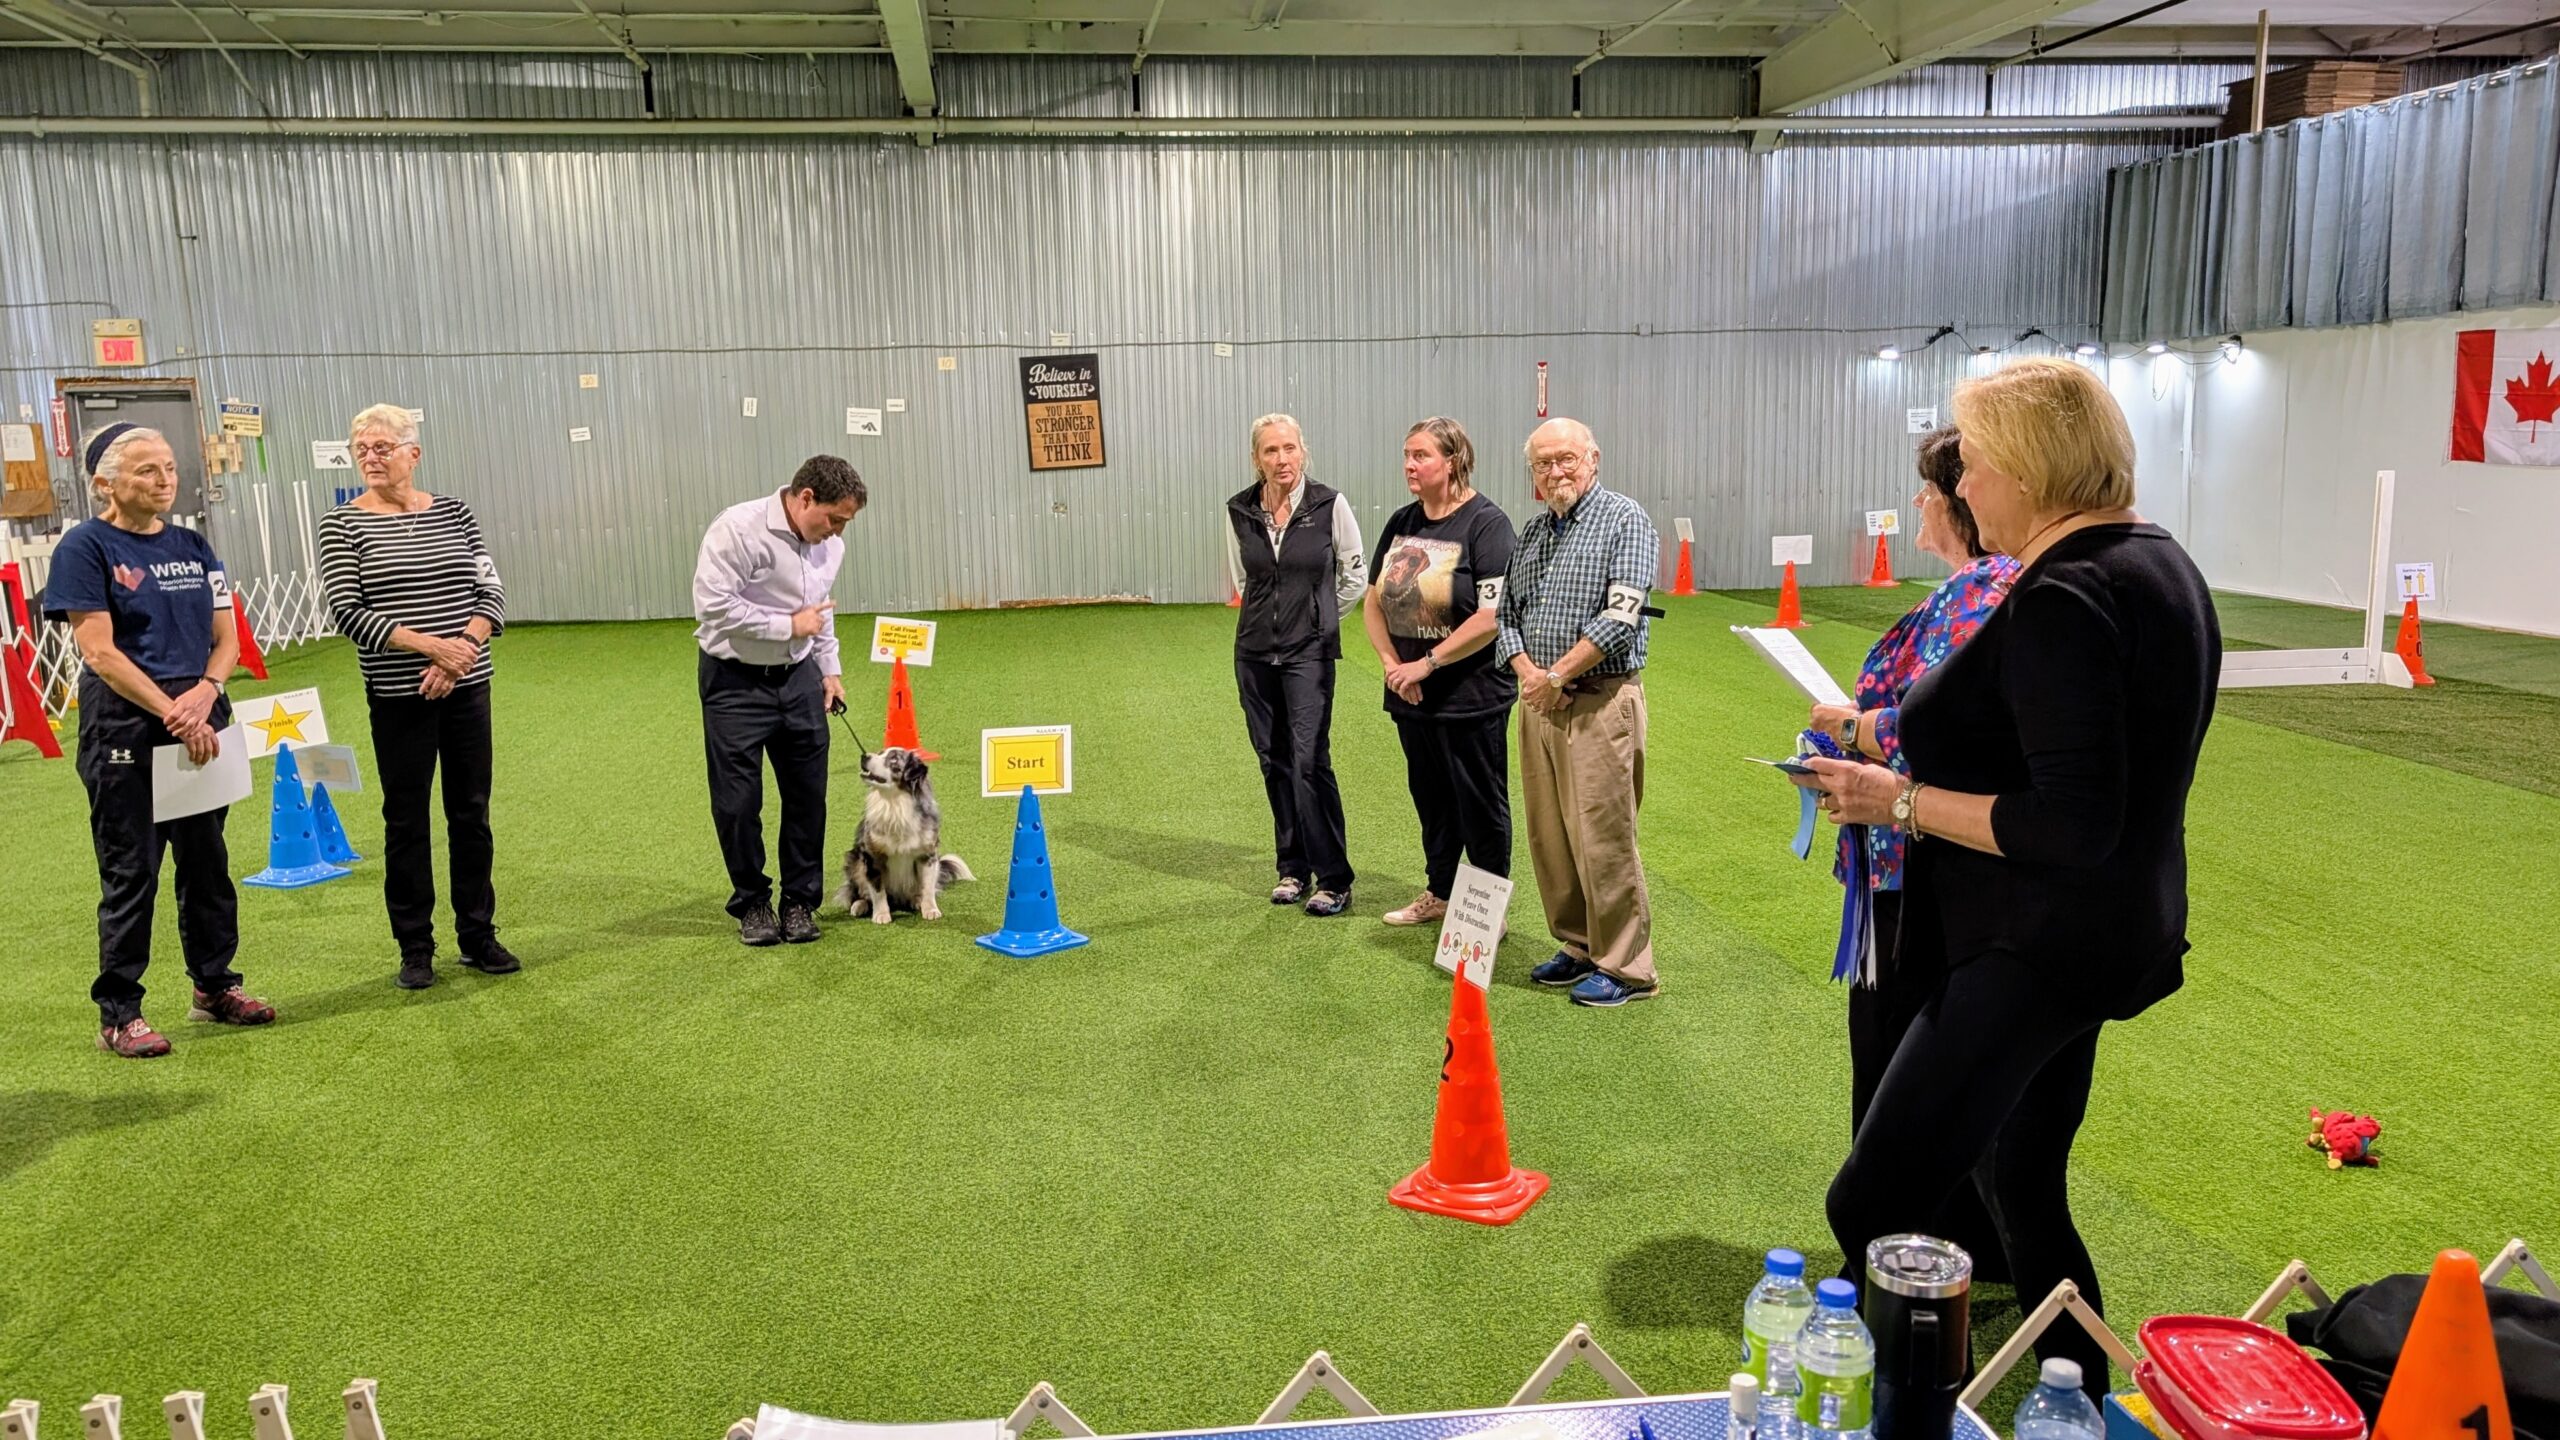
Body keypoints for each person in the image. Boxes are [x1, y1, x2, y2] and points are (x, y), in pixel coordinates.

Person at [1804, 358, 2220, 1397]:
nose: (1964, 486)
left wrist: (1895, 801)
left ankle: (1920, 1411)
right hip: (2109, 934)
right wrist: (1880, 748)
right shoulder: (2156, 563)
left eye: (1976, 466)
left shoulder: (2064, 594)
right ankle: (2076, 1397)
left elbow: (2068, 824)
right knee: (2020, 1184)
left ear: (2030, 472)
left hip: (2037, 945)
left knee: (1873, 1201)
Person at [1807, 426, 2020, 1280]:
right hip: (1926, 852)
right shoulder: (1990, 587)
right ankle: (1963, 1243)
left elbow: (1937, 728)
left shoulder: (1982, 589)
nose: (1925, 503)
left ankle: (1903, 1262)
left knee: (1898, 1061)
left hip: (1920, 858)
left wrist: (1853, 731)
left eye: (1934, 489)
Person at [46, 424, 272, 1057]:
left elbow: (227, 638)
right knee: (131, 871)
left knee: (207, 865)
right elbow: (99, 651)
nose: (165, 480)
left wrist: (206, 692)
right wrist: (176, 711)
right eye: (147, 470)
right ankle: (120, 1012)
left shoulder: (194, 546)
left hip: (201, 717)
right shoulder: (85, 547)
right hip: (127, 726)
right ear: (105, 483)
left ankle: (215, 985)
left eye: (169, 467)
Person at [318, 404, 515, 991]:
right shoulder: (342, 524)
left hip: (467, 685)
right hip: (398, 695)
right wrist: (433, 649)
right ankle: (415, 946)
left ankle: (477, 934)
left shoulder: (455, 512)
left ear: (413, 453)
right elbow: (348, 612)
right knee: (405, 820)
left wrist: (462, 651)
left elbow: (491, 592)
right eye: (361, 449)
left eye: (382, 447)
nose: (370, 458)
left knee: (471, 813)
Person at [1496, 417, 1661, 1007]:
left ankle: (1627, 967)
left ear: (1593, 458)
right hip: (1539, 702)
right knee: (1551, 835)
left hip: (1599, 700)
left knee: (1603, 836)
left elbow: (1622, 615)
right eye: (1543, 463)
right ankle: (1579, 944)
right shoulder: (1534, 531)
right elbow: (1505, 615)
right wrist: (1530, 675)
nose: (1555, 471)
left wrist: (1556, 676)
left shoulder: (1625, 520)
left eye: (1566, 458)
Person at [693, 456, 863, 947]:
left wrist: (829, 669)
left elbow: (820, 611)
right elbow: (713, 606)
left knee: (808, 795)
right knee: (737, 803)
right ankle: (753, 902)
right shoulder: (737, 529)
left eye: (845, 523)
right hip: (733, 682)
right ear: (805, 497)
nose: (837, 532)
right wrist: (787, 626)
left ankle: (799, 901)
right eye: (834, 519)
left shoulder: (830, 546)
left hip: (799, 679)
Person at [1361, 417, 1517, 927]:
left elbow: (1491, 617)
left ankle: (1486, 914)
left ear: (1452, 461)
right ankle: (1440, 892)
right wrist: (1393, 666)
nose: (1409, 464)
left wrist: (1426, 664)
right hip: (1411, 694)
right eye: (1407, 455)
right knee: (1431, 800)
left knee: (1480, 805)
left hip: (1470, 696)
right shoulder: (1402, 521)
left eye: (1421, 455)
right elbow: (1373, 600)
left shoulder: (1487, 524)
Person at [1224, 413, 1367, 917]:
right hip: (1254, 654)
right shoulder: (1239, 510)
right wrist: (1269, 621)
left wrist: (1318, 620)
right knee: (1274, 760)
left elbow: (1354, 576)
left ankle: (1334, 878)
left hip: (1309, 654)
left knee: (1309, 761)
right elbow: (1244, 580)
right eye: (1271, 450)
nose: (1281, 458)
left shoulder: (1329, 504)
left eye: (1289, 448)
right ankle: (1292, 868)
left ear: (1302, 451)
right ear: (1256, 458)